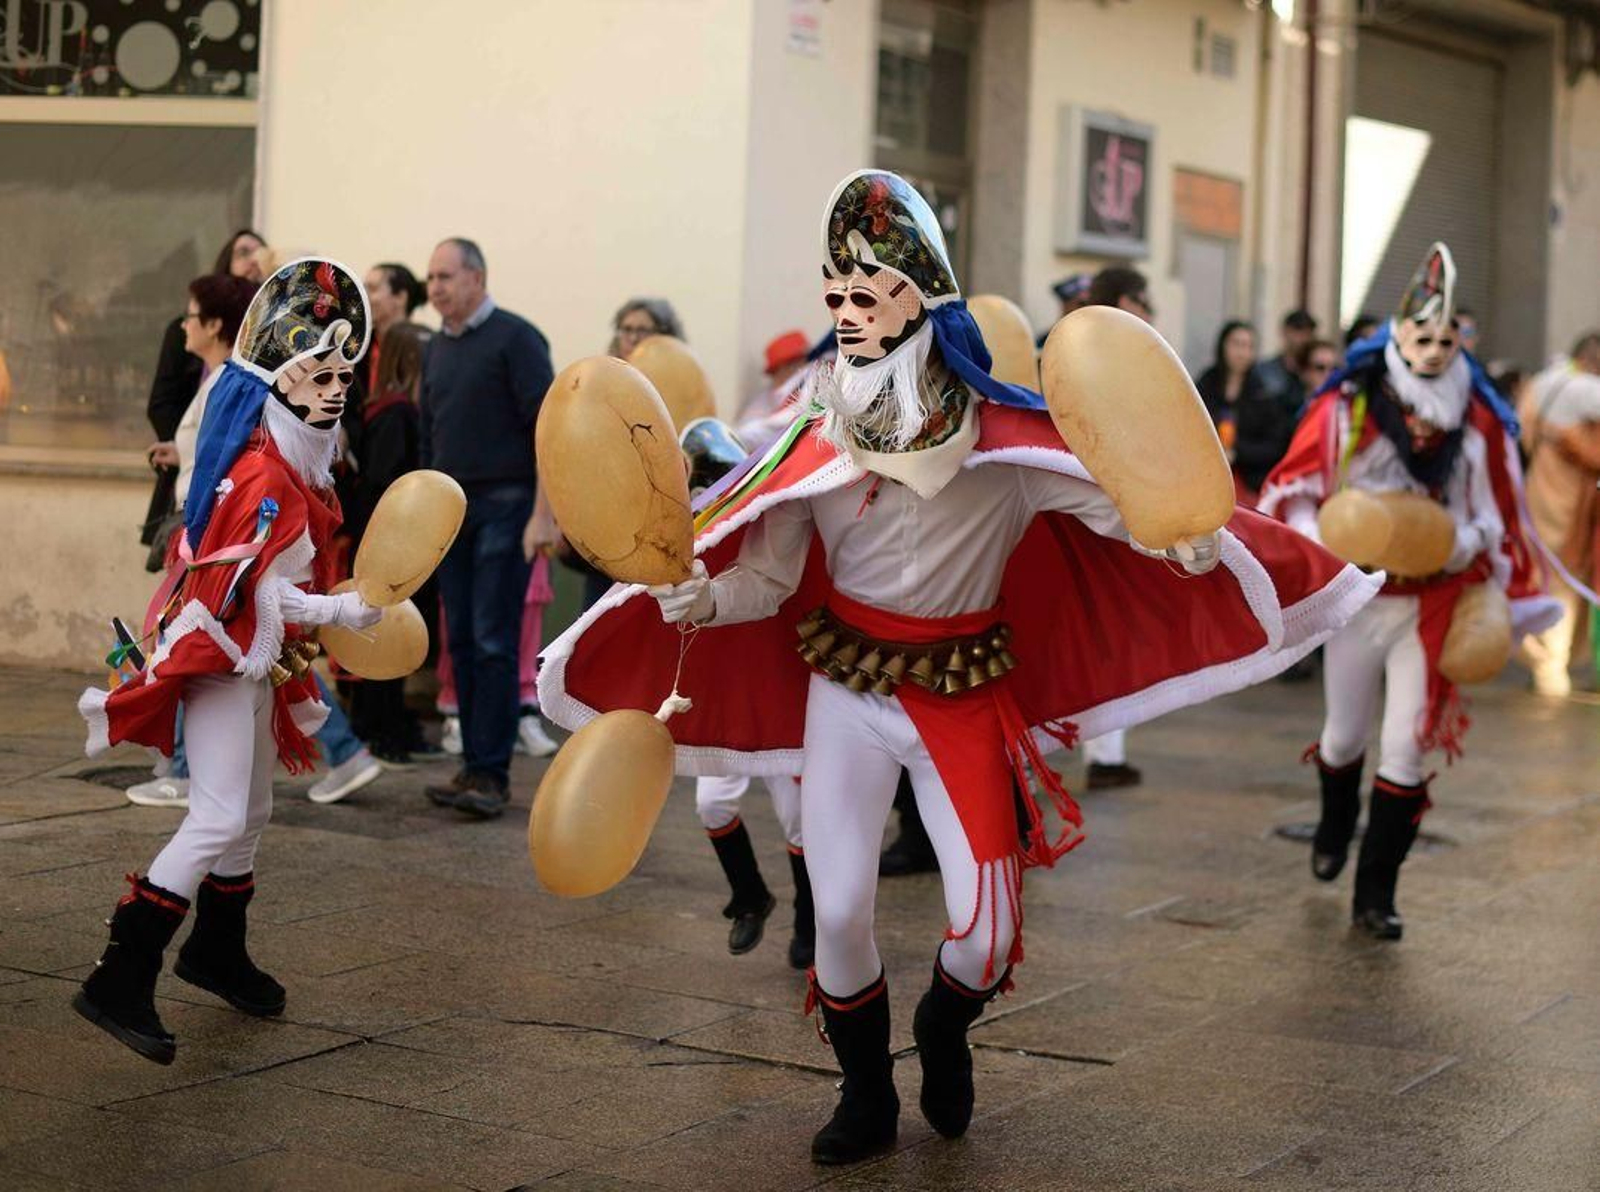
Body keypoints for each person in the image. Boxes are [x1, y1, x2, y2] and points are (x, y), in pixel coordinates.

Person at [540, 170, 1375, 1165]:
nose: (846, 315)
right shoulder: (816, 432)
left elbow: (1119, 505)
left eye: (866, 294)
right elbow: (765, 566)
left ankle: (941, 1025)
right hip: (844, 689)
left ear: (918, 298)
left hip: (962, 688)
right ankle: (862, 1091)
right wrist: (706, 598)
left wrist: (1184, 540)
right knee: (841, 908)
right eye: (835, 297)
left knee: (984, 930)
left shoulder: (1009, 446)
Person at [73, 258, 382, 1065]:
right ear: (278, 380)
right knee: (214, 816)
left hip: (246, 661)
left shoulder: (289, 467)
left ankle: (217, 953)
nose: (334, 387)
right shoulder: (263, 476)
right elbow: (257, 595)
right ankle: (120, 976)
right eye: (318, 371)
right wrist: (345, 610)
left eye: (344, 371)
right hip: (219, 657)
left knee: (250, 814)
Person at [1259, 243, 1555, 942]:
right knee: (1343, 735)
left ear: (1463, 342)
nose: (1433, 349)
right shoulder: (1346, 405)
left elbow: (1497, 513)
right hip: (1360, 597)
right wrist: (1323, 538)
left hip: (1435, 601)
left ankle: (1376, 894)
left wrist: (1464, 540)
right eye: (1422, 334)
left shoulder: (1477, 420)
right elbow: (1293, 489)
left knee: (1405, 748)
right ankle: (1334, 822)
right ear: (1397, 334)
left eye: (1447, 338)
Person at [420, 238, 555, 817]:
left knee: (496, 641)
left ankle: (493, 775)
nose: (435, 287)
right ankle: (471, 766)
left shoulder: (517, 339)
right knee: (464, 644)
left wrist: (542, 514)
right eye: (431, 277)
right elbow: (431, 435)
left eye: (445, 276)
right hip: (451, 511)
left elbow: (549, 431)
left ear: (477, 277)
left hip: (507, 503)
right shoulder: (436, 350)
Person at [680, 417, 815, 968]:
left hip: (777, 682)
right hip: (724, 687)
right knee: (712, 803)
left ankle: (811, 923)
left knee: (800, 816)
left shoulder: (769, 509)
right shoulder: (677, 527)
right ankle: (750, 894)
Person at [1079, 265, 1158, 789]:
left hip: (1110, 504)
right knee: (1104, 632)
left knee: (1108, 632)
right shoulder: (1096, 352)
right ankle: (1101, 755)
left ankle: (1105, 753)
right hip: (1096, 504)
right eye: (1142, 298)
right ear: (1122, 300)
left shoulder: (1099, 346)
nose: (1150, 309)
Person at [142, 230, 266, 557]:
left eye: (191, 317)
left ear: (213, 325)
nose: (184, 325)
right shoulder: (219, 382)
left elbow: (228, 466)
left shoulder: (231, 385)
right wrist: (181, 450)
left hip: (209, 536)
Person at [344, 321, 430, 763]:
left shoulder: (388, 411)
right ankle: (380, 729)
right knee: (384, 631)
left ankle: (390, 723)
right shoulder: (397, 414)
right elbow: (386, 482)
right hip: (388, 541)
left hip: (382, 537)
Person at [1519, 332, 1600, 696]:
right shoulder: (1589, 389)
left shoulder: (1541, 383)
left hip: (1537, 485)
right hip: (1576, 496)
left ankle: (1540, 658)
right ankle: (1552, 667)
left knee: (1537, 571)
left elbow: (1520, 432)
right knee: (1567, 577)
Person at [1194, 319, 1293, 501]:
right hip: (1204, 475)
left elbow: (1274, 445)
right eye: (1236, 344)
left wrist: (1238, 452)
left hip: (1249, 482)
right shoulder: (1206, 382)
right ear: (1223, 346)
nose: (1242, 353)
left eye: (1248, 346)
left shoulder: (1262, 392)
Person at [1257, 308, 1319, 419]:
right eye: (1298, 330)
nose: (1303, 338)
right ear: (1284, 331)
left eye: (1308, 333)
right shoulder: (1265, 371)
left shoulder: (1316, 371)